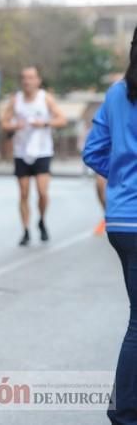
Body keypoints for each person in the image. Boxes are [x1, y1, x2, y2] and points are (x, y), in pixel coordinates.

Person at [82, 26, 137, 425]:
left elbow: (93, 152)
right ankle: (124, 411)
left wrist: (120, 178)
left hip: (121, 220)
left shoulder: (118, 92)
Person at [0, 66, 67, 246]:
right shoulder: (16, 100)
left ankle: (42, 220)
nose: (27, 81)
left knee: (42, 192)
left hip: (42, 151)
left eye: (30, 77)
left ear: (38, 80)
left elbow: (62, 119)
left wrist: (44, 123)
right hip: (21, 152)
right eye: (24, 78)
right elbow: (4, 122)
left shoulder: (46, 99)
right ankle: (26, 230)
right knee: (23, 192)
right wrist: (14, 126)